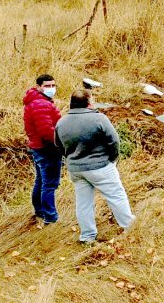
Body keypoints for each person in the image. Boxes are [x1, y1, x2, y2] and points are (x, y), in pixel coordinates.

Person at [55, 90, 134, 243]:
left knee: (83, 203)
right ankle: (130, 227)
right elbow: (114, 141)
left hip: (76, 170)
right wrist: (112, 159)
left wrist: (72, 159)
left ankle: (87, 236)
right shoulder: (99, 118)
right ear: (88, 102)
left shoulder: (61, 122)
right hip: (100, 166)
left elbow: (58, 146)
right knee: (116, 196)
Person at [24, 74, 62, 224]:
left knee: (41, 181)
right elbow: (47, 131)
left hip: (37, 147)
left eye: (53, 85)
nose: (51, 89)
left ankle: (39, 211)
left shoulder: (34, 101)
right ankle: (50, 217)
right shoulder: (41, 104)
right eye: (47, 86)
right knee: (49, 184)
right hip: (47, 148)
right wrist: (59, 145)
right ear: (39, 86)